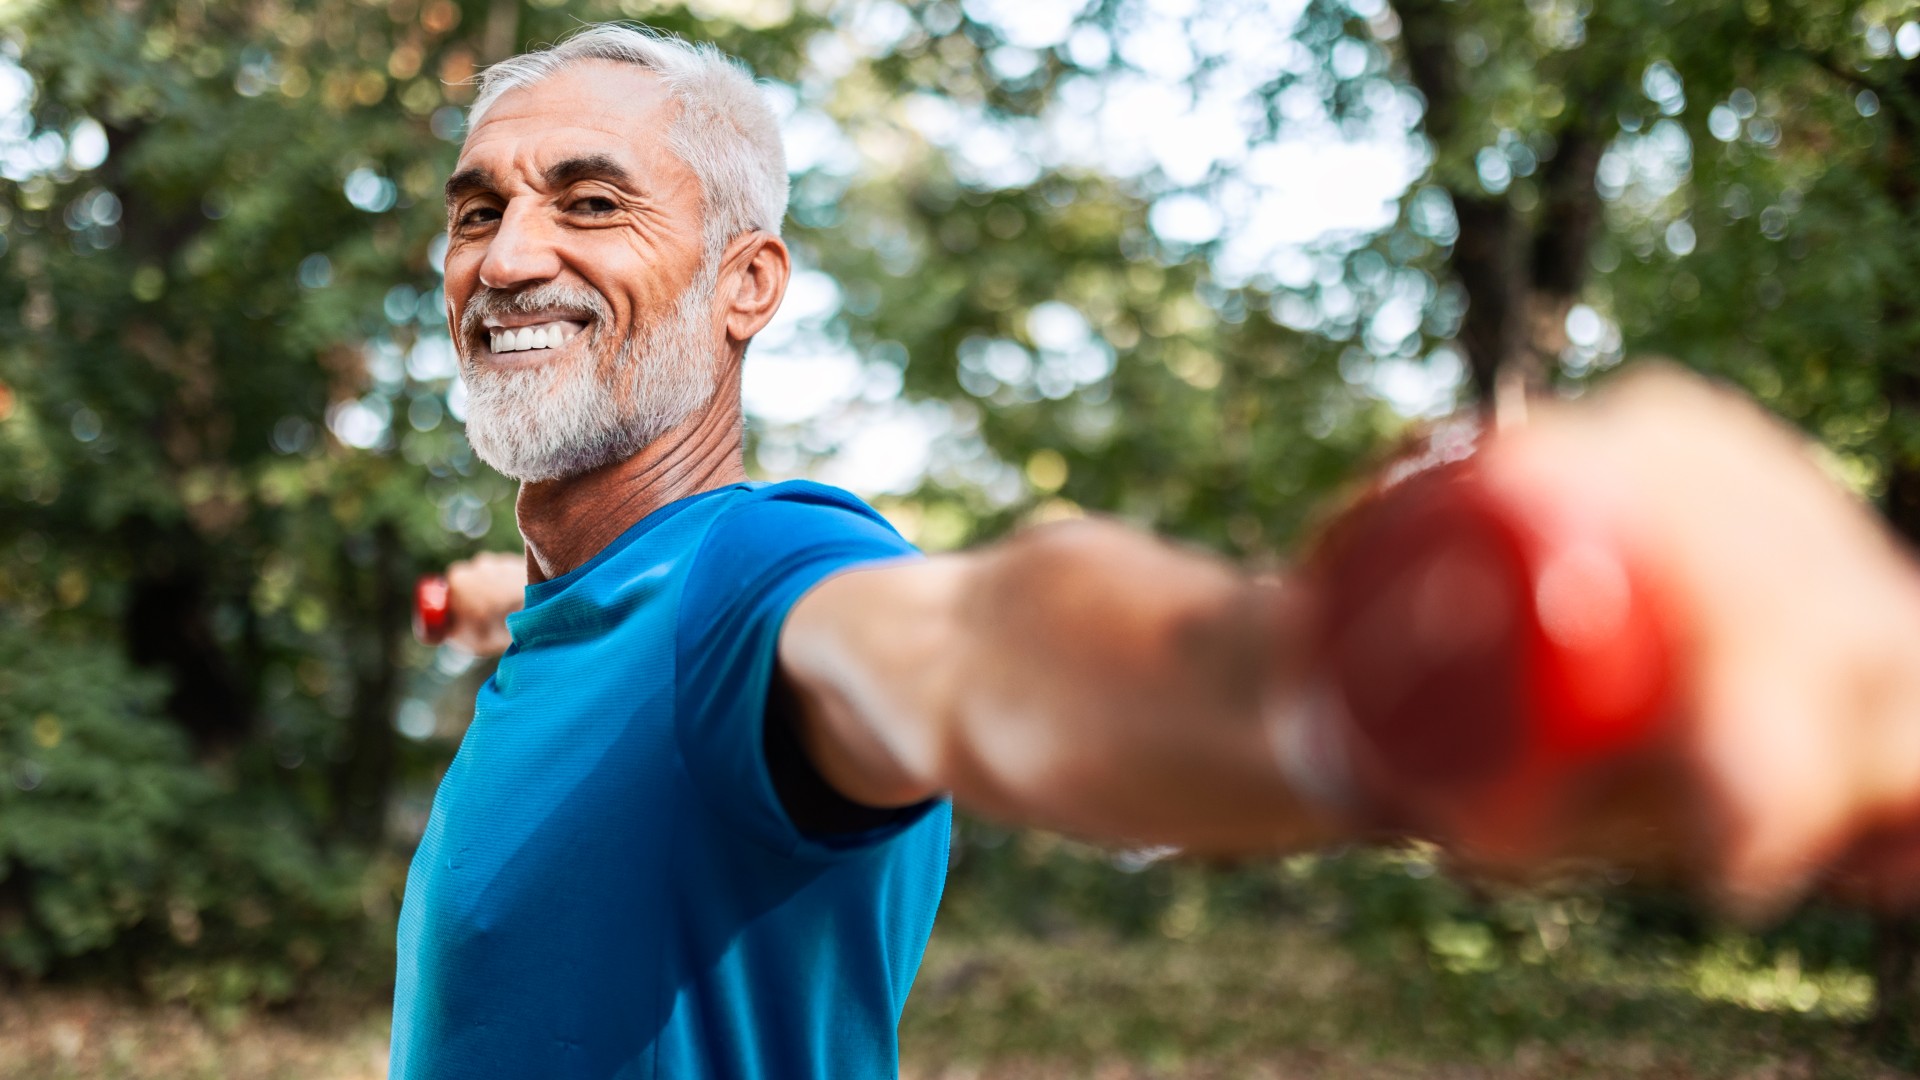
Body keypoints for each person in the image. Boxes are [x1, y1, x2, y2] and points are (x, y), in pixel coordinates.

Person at [393, 22, 1920, 1079]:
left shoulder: (757, 586)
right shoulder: (597, 611)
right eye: (477, 210)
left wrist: (1342, 678)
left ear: (748, 285)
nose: (510, 255)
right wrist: (494, 608)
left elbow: (986, 647)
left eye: (592, 203)